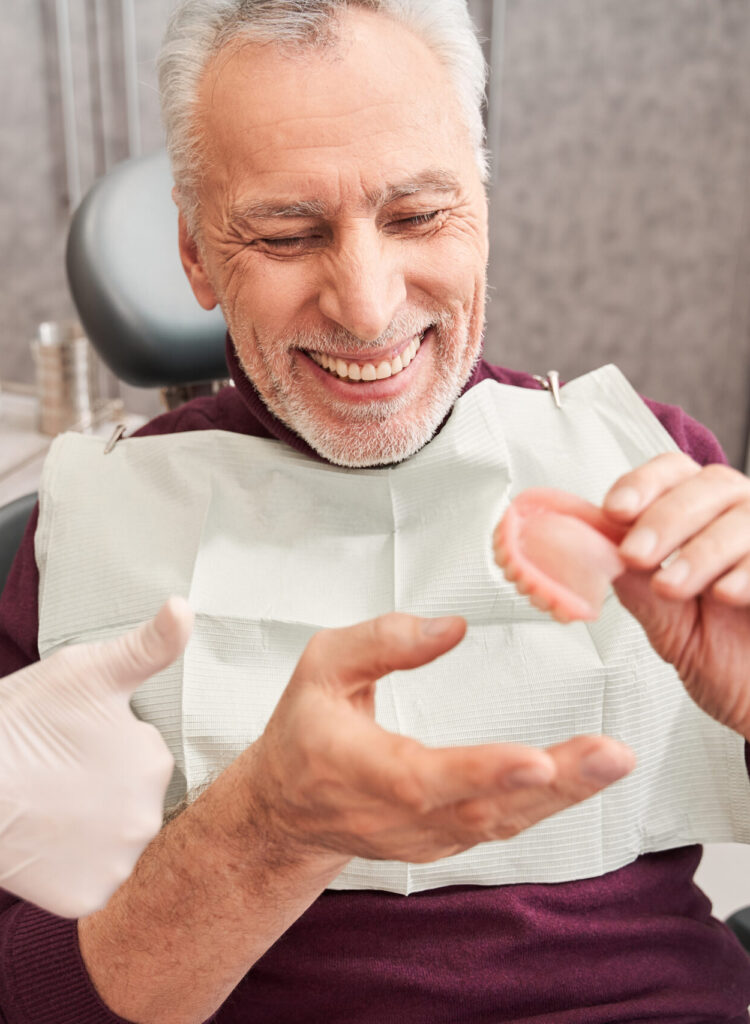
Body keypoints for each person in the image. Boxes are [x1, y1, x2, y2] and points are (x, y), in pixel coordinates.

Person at [1, 2, 750, 1021]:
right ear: (194, 252)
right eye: (286, 232)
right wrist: (267, 829)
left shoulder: (658, 471)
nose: (366, 305)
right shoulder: (85, 534)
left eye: (418, 215)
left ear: (482, 206)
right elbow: (30, 998)